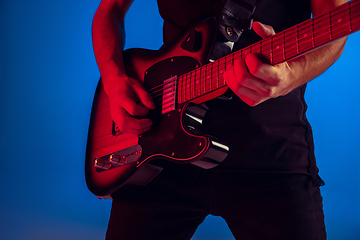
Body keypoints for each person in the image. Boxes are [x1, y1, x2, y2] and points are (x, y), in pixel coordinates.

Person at [92, 0, 347, 239]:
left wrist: (292, 76)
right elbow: (110, 9)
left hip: (270, 155)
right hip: (160, 149)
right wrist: (114, 81)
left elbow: (335, 24)